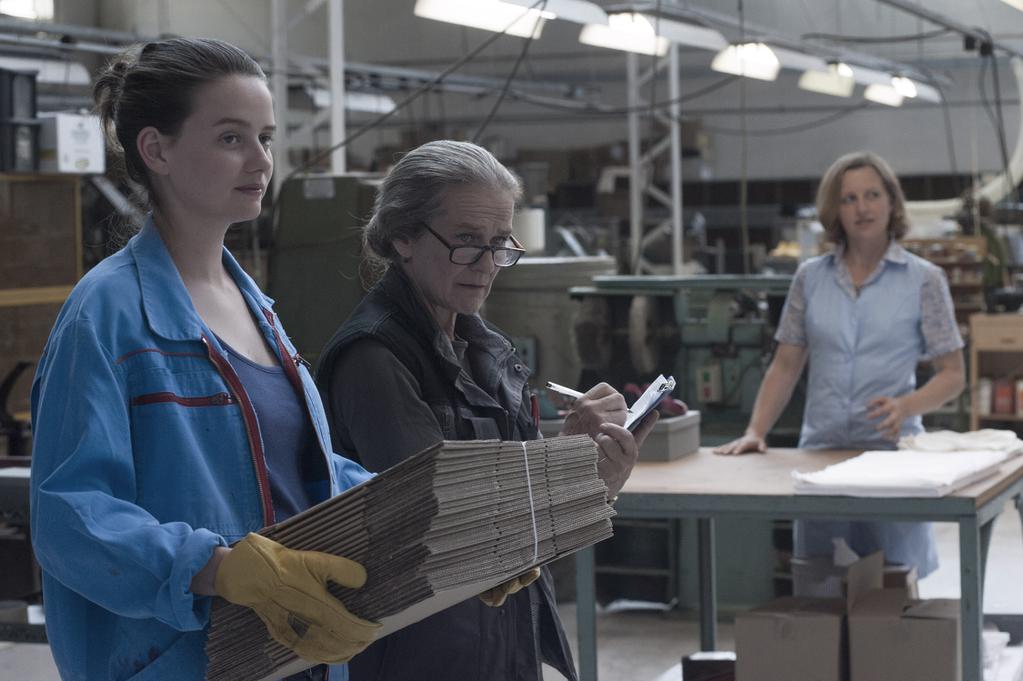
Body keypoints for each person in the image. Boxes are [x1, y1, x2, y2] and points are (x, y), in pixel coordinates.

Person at [30, 38, 378, 681]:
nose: (262, 161)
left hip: (296, 658)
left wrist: (433, 521)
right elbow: (71, 515)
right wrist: (212, 568)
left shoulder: (258, 311)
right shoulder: (104, 316)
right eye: (230, 138)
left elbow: (303, 472)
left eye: (266, 138)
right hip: (184, 662)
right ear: (156, 149)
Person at [315, 139, 658, 681]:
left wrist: (576, 463)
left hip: (499, 639)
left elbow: (506, 502)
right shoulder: (374, 359)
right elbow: (448, 526)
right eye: (467, 242)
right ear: (403, 236)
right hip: (423, 651)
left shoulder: (485, 348)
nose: (487, 264)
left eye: (499, 243)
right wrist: (571, 482)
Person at [714, 151, 966, 578]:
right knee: (821, 594)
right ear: (835, 210)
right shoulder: (810, 278)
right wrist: (756, 430)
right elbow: (786, 364)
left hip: (891, 459)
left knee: (891, 599)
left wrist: (907, 406)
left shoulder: (924, 280)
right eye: (848, 198)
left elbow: (953, 374)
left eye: (872, 195)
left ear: (891, 202)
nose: (862, 208)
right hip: (822, 458)